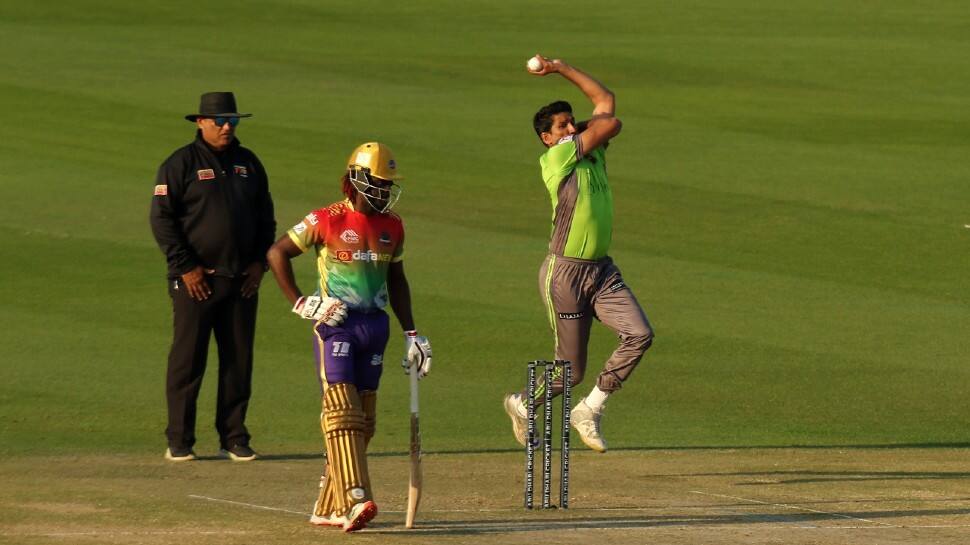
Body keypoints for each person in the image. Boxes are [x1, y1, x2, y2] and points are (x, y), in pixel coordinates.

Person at [266, 142, 432, 532]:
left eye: (390, 184)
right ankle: (356, 498)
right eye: (380, 183)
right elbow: (276, 253)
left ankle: (328, 505)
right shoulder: (327, 218)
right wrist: (302, 302)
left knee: (364, 422)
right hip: (335, 322)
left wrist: (412, 333)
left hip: (375, 326)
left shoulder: (393, 225)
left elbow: (398, 280)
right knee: (341, 413)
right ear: (358, 179)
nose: (387, 191)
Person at [504, 57, 654, 453]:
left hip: (602, 272)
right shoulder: (556, 158)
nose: (570, 128)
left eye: (573, 121)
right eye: (562, 126)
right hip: (565, 274)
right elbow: (611, 122)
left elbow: (605, 99)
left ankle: (589, 409)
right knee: (569, 371)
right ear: (546, 138)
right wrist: (589, 128)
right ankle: (523, 403)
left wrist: (559, 67)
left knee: (639, 334)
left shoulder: (592, 152)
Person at [150, 92, 276, 462]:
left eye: (232, 121)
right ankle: (180, 440)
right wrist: (185, 267)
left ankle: (234, 437)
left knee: (238, 360)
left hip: (241, 280)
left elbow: (265, 218)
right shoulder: (180, 164)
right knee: (188, 361)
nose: (226, 127)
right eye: (219, 120)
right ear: (200, 122)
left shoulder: (248, 163)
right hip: (195, 282)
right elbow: (162, 220)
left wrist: (259, 263)